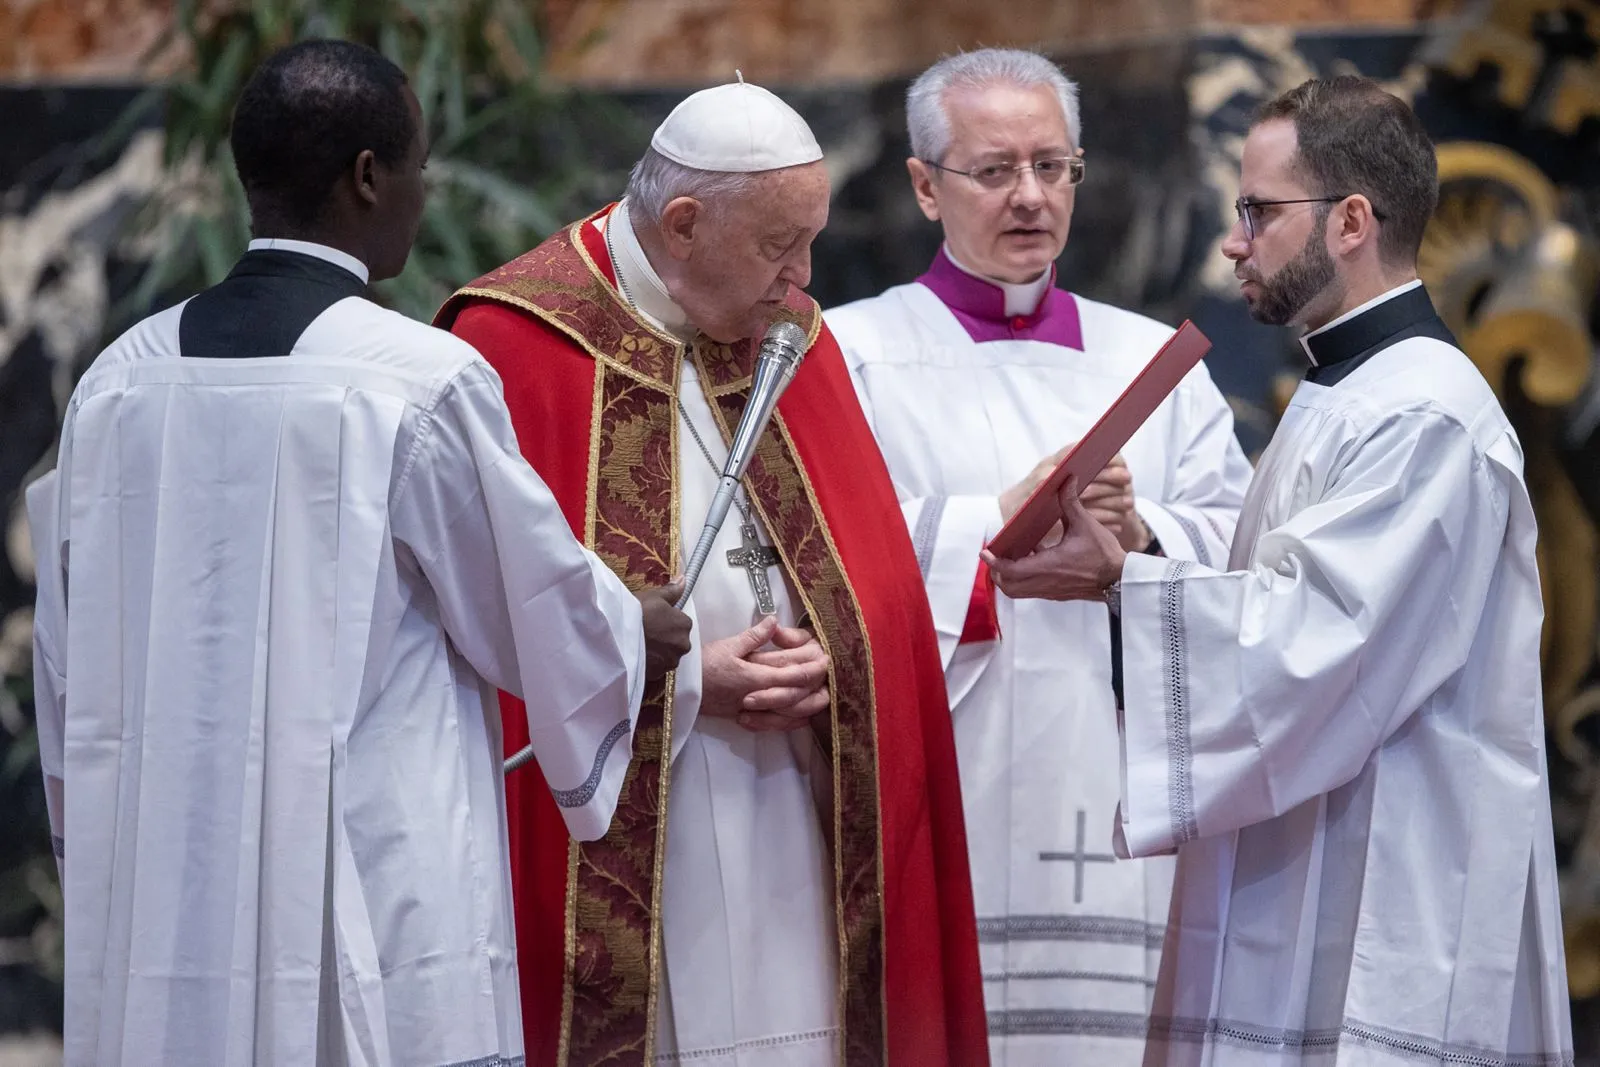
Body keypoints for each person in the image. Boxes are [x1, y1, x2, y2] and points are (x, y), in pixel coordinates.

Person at [27, 39, 692, 1067]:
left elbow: (66, 660)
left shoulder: (120, 379)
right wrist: (631, 629)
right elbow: (525, 601)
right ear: (369, 177)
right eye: (418, 166)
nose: (424, 193)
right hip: (370, 886)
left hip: (168, 885)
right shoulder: (411, 378)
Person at [985, 75, 1573, 1064]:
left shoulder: (1421, 413)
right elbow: (1284, 593)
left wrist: (1120, 585)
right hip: (1313, 852)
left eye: (1258, 210)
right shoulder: (1346, 391)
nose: (1233, 239)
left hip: (1388, 882)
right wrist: (1137, 555)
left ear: (1350, 220)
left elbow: (1316, 647)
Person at [436, 80, 988, 1067]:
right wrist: (691, 682)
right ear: (682, 224)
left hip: (798, 813)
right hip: (649, 827)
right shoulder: (512, 346)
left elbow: (877, 587)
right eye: (780, 246)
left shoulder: (791, 338)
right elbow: (488, 641)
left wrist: (838, 658)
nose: (802, 277)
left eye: (810, 241)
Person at [825, 48, 1252, 1063]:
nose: (1029, 197)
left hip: (1121, 795)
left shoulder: (1154, 364)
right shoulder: (845, 355)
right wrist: (989, 522)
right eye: (993, 170)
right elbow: (815, 557)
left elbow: (1239, 553)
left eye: (1053, 167)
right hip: (948, 782)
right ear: (926, 185)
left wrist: (1139, 535)